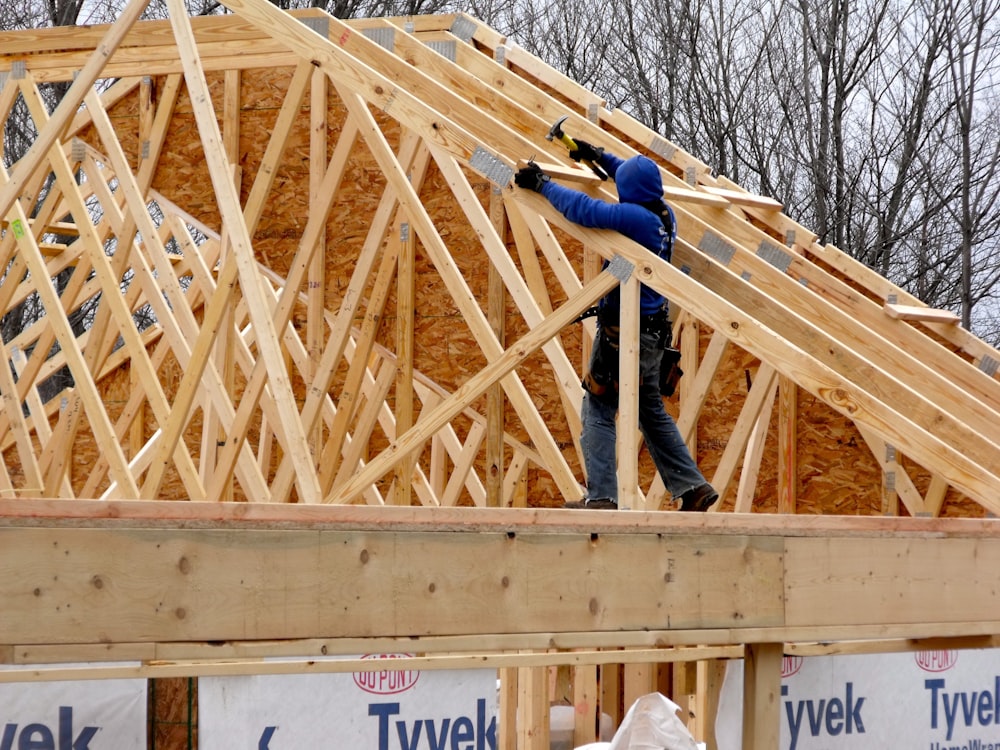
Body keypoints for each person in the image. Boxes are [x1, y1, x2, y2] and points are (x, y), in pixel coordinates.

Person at [514, 141, 718, 512]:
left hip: (625, 334)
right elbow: (632, 174)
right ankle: (693, 486)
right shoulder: (663, 213)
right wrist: (596, 155)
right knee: (649, 410)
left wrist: (541, 183)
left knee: (598, 406)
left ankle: (603, 498)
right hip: (654, 331)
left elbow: (582, 209)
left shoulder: (635, 220)